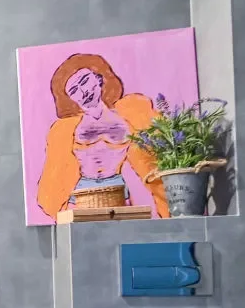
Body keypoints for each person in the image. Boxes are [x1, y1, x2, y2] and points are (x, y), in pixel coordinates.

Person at [36, 53, 168, 219]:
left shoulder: (132, 110)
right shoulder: (63, 129)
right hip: (82, 193)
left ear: (99, 78)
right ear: (69, 98)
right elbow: (54, 173)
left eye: (85, 81)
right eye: (74, 90)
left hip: (123, 188)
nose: (84, 92)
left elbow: (159, 144)